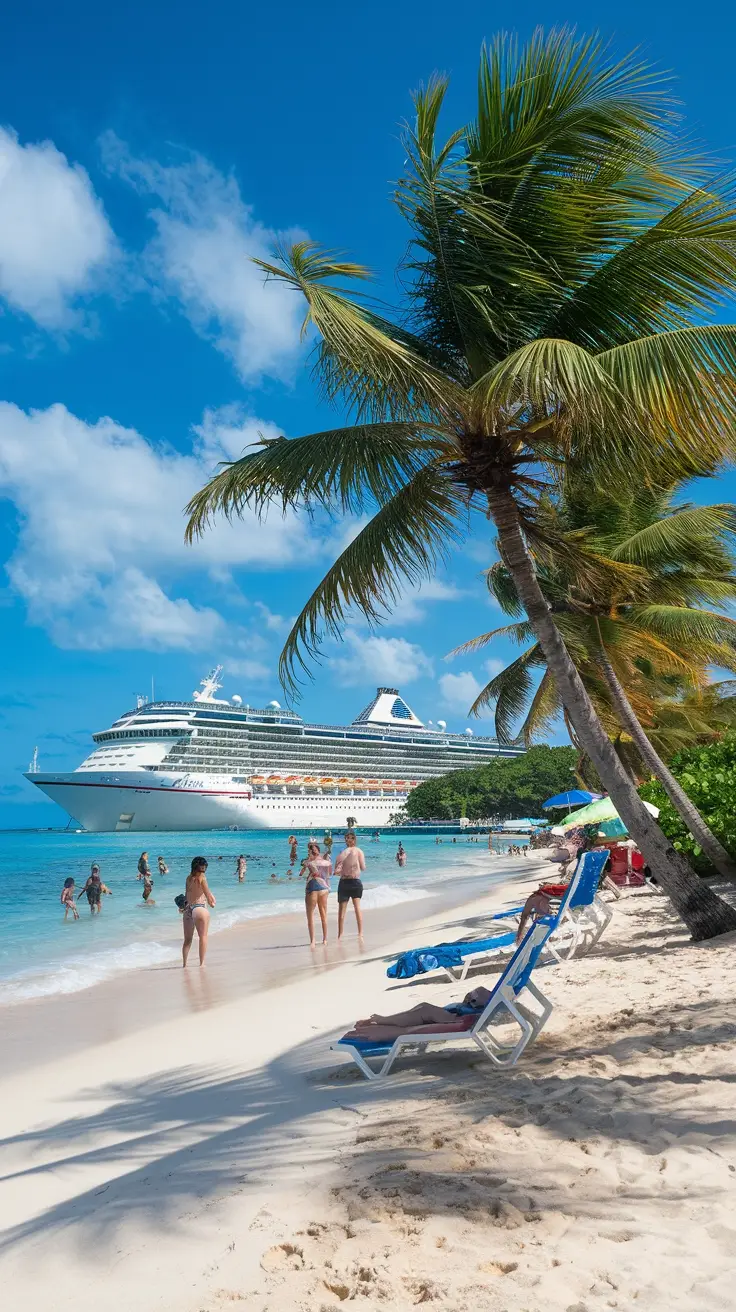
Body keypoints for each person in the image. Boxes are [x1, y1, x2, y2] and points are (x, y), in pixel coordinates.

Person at [346, 985, 492, 1043]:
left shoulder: (494, 998)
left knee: (424, 1010)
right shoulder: (501, 994)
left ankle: (381, 1021)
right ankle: (382, 1021)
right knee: (424, 1009)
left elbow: (479, 1002)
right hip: (466, 1016)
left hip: (464, 1019)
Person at [182, 856, 215, 967]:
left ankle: (185, 965)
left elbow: (186, 896)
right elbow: (207, 894)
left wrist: (183, 907)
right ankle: (201, 964)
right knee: (203, 937)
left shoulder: (188, 878)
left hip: (188, 909)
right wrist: (212, 902)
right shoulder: (202, 877)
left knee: (187, 940)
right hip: (199, 907)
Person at [334, 830, 366, 940]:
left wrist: (352, 863)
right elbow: (337, 870)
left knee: (357, 908)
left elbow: (362, 867)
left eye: (350, 838)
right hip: (344, 882)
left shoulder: (356, 851)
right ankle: (340, 934)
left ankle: (360, 932)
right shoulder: (344, 853)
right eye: (346, 838)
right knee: (342, 910)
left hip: (354, 882)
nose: (348, 840)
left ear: (354, 839)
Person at [302, 840, 332, 947]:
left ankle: (313, 941)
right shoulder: (325, 860)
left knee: (310, 916)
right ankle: (324, 940)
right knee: (323, 914)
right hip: (324, 888)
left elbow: (302, 873)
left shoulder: (308, 861)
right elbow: (330, 873)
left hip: (312, 887)